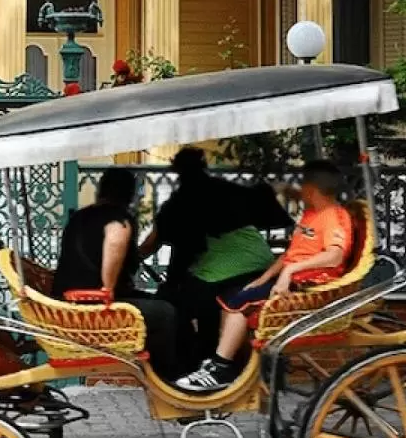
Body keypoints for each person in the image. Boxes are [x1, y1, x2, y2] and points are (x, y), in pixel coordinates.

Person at [173, 160, 354, 393]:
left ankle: (221, 368)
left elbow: (335, 256)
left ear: (310, 189)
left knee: (241, 302)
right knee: (234, 296)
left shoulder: (333, 217)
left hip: (308, 285)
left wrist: (288, 272)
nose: (298, 191)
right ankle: (228, 362)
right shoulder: (312, 214)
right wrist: (265, 277)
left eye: (302, 185)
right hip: (295, 279)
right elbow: (292, 253)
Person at [139, 147, 294, 369]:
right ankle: (211, 355)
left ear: (178, 171)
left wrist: (131, 258)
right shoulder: (226, 189)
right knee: (200, 298)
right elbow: (264, 199)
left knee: (173, 304)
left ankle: (192, 362)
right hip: (261, 262)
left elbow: (153, 243)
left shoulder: (180, 202)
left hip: (224, 269)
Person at [53, 168, 180, 379]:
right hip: (92, 306)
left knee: (157, 302)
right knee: (167, 311)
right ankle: (166, 379)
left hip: (65, 301)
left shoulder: (80, 217)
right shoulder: (119, 219)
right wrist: (108, 287)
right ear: (129, 194)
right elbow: (116, 237)